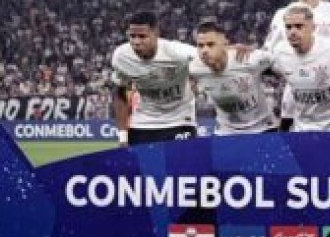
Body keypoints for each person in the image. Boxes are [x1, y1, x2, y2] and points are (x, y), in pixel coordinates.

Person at [111, 11, 198, 145]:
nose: (136, 42)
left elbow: (210, 58)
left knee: (182, 159)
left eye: (142, 36)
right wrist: (122, 135)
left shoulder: (177, 52)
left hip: (180, 120)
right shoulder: (122, 57)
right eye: (132, 36)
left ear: (156, 33)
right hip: (143, 123)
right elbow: (121, 94)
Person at [269, 4, 330, 131]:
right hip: (303, 128)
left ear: (313, 27)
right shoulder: (280, 52)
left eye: (299, 26)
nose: (292, 32)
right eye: (288, 27)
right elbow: (260, 65)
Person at [189, 21, 279, 135]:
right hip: (226, 132)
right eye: (200, 46)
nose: (204, 51)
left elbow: (281, 62)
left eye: (211, 44)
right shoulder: (195, 67)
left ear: (225, 44)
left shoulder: (248, 58)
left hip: (262, 128)